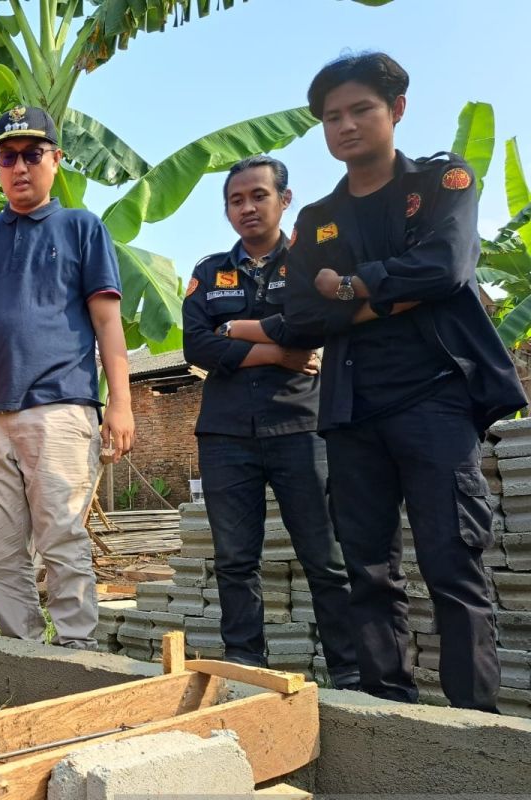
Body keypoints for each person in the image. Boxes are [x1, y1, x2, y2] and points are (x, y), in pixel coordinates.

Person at [284, 52, 526, 711]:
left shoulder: (444, 179)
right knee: (367, 572)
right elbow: (301, 313)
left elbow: (446, 268)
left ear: (396, 109)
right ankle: (388, 708)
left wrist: (352, 288)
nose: (347, 125)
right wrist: (390, 292)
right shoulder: (316, 218)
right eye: (332, 117)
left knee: (453, 566)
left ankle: (475, 722)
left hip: (436, 398)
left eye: (361, 109)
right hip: (352, 408)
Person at [0, 106, 134, 651]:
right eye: (6, 157)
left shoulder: (82, 227)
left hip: (61, 407)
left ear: (55, 160)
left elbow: (106, 321)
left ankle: (76, 647)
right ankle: (20, 651)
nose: (19, 167)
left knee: (62, 536)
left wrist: (120, 403)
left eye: (32, 154)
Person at [181, 155, 359, 687]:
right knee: (235, 561)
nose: (247, 207)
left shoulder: (309, 260)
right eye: (236, 200)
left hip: (301, 427)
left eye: (258, 195)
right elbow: (196, 344)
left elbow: (313, 323)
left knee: (325, 559)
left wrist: (235, 328)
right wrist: (275, 353)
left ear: (284, 199)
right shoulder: (209, 271)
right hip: (226, 434)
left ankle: (349, 673)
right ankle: (245, 667)